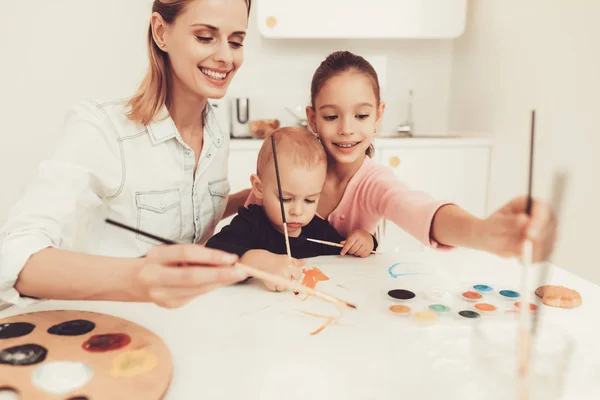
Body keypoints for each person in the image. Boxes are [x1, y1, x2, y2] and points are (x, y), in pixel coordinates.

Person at [0, 0, 254, 310]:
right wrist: (138, 278)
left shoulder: (216, 133)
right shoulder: (101, 127)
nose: (227, 56)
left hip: (185, 324)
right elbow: (13, 255)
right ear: (161, 32)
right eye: (204, 37)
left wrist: (246, 200)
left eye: (236, 41)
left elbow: (184, 213)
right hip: (105, 332)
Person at [247, 50, 556, 262]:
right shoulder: (293, 164)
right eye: (331, 117)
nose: (346, 129)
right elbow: (256, 198)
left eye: (361, 115)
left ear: (378, 116)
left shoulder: (375, 183)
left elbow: (417, 209)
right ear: (313, 119)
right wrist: (220, 208)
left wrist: (481, 232)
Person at [205, 127, 377, 291]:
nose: (298, 211)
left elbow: (345, 251)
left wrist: (366, 240)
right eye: (286, 199)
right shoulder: (251, 223)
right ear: (259, 187)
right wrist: (257, 261)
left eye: (310, 200)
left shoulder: (318, 230)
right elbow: (211, 254)